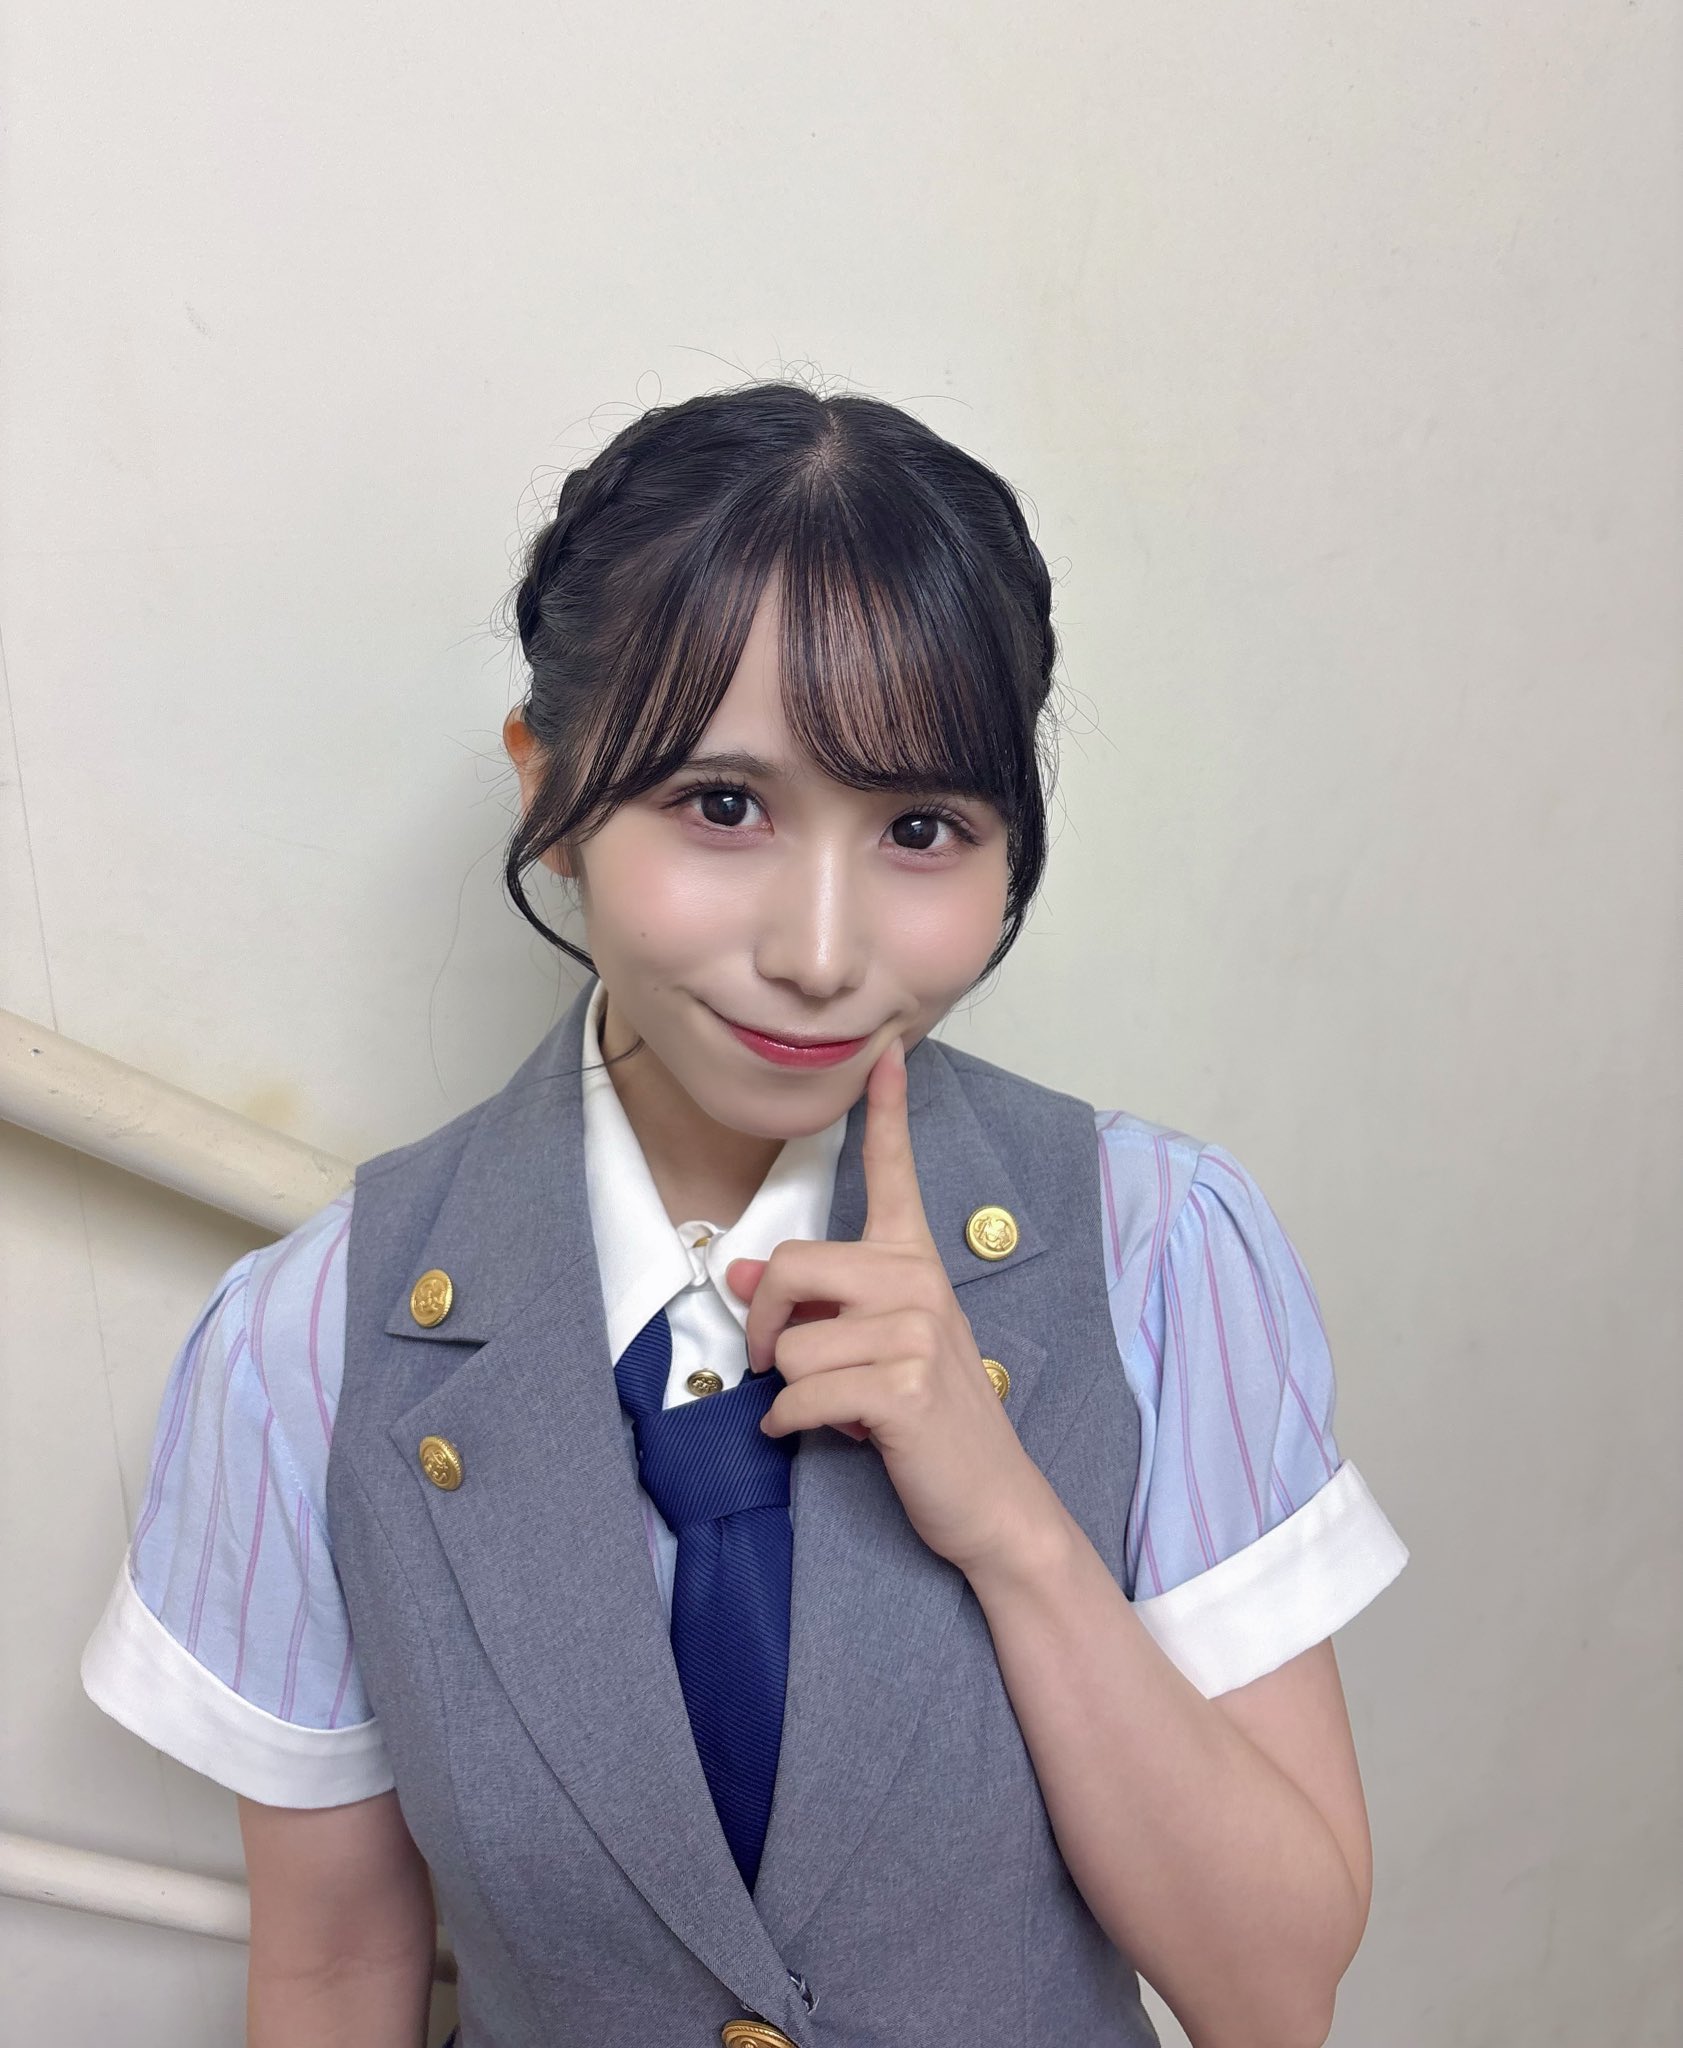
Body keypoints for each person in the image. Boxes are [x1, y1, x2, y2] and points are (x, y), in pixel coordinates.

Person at [81, 380, 1409, 2048]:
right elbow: (337, 1973)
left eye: (920, 828)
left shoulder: (1159, 1252)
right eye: (723, 804)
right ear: (550, 790)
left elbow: (1274, 1995)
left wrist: (1013, 1526)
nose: (820, 952)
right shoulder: (307, 1347)